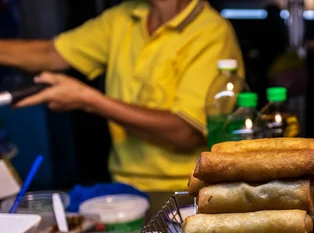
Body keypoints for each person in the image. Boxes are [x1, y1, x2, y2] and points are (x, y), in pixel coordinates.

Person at [0, 0, 244, 191]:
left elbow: (184, 133)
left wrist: (89, 100)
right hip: (124, 185)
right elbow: (52, 53)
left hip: (187, 187)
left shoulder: (211, 31)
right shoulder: (124, 16)